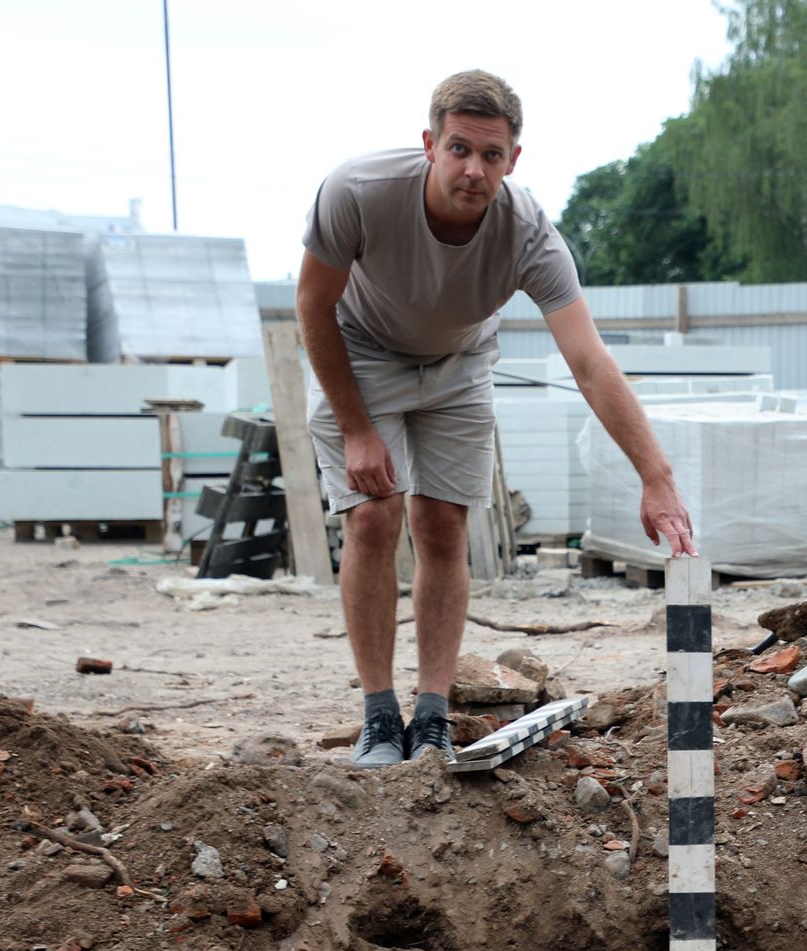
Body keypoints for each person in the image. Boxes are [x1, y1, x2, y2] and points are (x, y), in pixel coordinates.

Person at [298, 69, 696, 768]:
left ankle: (430, 716)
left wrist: (656, 476)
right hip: (360, 355)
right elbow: (311, 302)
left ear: (514, 159)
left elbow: (590, 361)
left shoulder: (529, 234)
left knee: (444, 524)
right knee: (373, 514)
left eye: (490, 155)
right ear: (429, 144)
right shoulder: (357, 193)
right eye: (458, 149)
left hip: (458, 364)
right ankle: (378, 717)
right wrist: (357, 427)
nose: (472, 169)